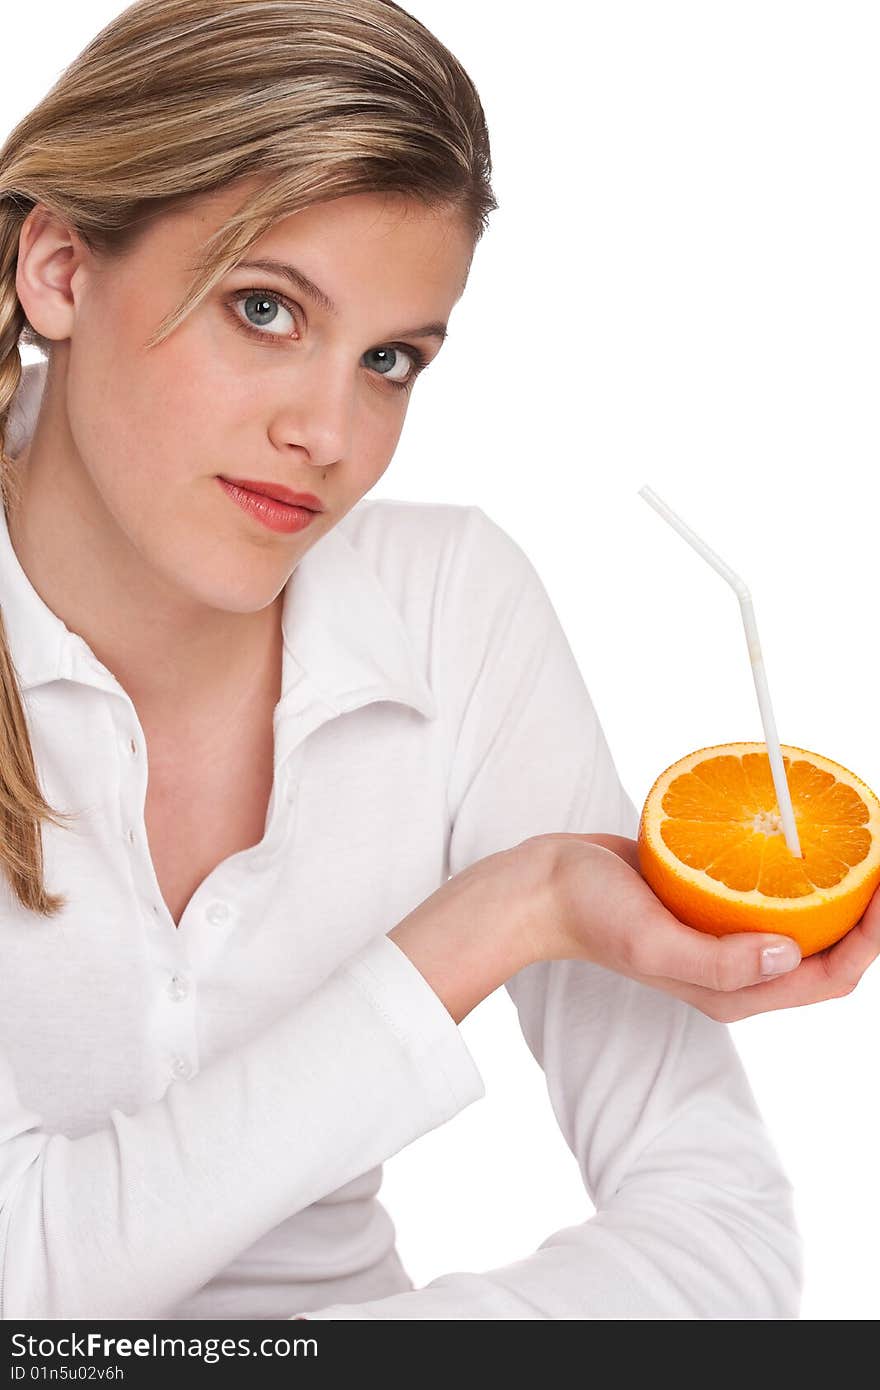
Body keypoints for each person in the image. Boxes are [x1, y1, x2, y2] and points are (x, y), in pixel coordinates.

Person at [0, 0, 876, 1323]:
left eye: (391, 359)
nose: (331, 431)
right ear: (59, 270)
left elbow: (719, 1224)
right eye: (264, 308)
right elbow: (25, 1273)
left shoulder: (453, 604)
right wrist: (498, 917)